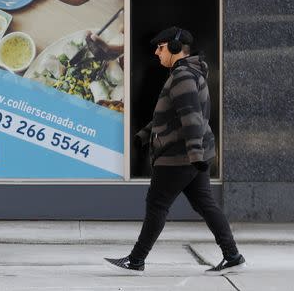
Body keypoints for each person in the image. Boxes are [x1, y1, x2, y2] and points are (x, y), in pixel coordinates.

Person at [104, 27, 245, 276]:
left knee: (157, 204)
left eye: (160, 48)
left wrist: (194, 155)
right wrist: (144, 136)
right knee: (206, 205)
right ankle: (232, 255)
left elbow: (191, 119)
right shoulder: (187, 73)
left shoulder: (182, 77)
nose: (157, 53)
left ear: (175, 48)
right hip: (191, 155)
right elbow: (172, 115)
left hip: (179, 156)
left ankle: (136, 260)